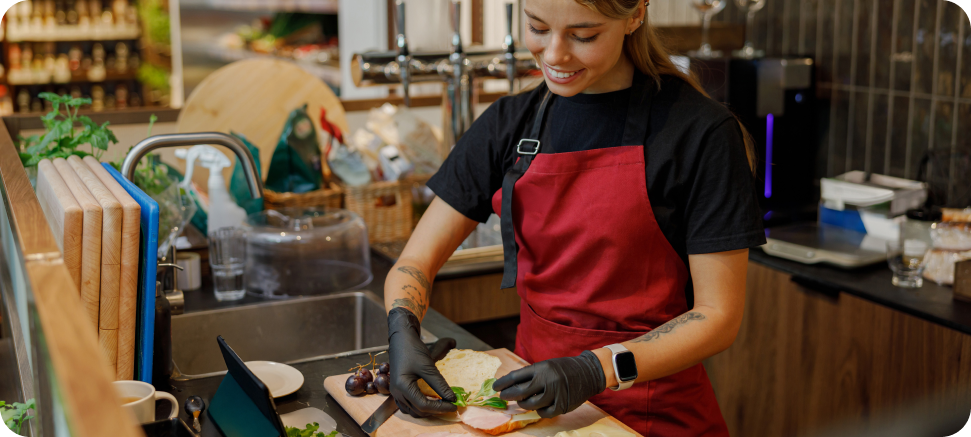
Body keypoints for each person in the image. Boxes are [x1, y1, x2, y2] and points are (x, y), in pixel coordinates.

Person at [384, 0, 765, 434]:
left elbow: (717, 317)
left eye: (584, 35)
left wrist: (592, 369)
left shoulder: (700, 132)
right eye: (537, 28)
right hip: (530, 407)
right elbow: (415, 263)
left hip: (653, 415)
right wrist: (402, 329)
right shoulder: (509, 124)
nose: (554, 55)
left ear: (636, 14)